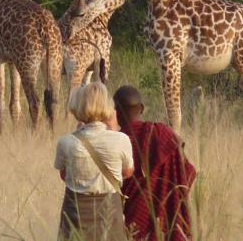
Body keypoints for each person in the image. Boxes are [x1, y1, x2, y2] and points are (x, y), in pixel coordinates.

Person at [113, 85, 197, 241]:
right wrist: (170, 200)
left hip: (133, 219)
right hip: (168, 218)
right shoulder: (164, 133)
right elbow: (188, 172)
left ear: (116, 112)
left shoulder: (116, 142)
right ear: (142, 108)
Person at [55, 82, 134, 241]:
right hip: (110, 213)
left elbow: (64, 175)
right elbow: (128, 172)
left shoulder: (65, 142)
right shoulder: (122, 140)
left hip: (75, 214)